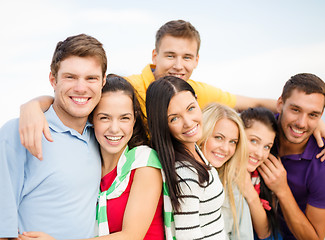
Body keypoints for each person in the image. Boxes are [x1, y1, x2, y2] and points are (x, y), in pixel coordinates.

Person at [17, 20, 325, 161]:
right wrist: (33, 105)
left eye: (187, 57)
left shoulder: (194, 91)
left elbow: (252, 102)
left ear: (197, 60)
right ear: (154, 56)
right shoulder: (127, 87)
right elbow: (82, 96)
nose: (178, 64)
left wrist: (311, 119)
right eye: (170, 55)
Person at [18, 75, 165, 240]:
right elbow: (61, 103)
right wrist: (32, 106)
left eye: (124, 118)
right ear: (91, 118)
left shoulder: (144, 161)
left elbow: (131, 236)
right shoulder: (89, 160)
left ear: (134, 120)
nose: (115, 129)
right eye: (104, 118)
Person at [0, 34, 107, 239]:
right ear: (53, 80)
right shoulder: (18, 132)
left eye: (91, 78)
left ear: (103, 81)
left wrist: (33, 104)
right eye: (70, 77)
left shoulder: (102, 135)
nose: (81, 88)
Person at [258, 73, 325, 240]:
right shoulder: (258, 131)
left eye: (313, 115)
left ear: (321, 116)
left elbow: (314, 238)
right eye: (295, 110)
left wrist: (282, 191)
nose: (301, 123)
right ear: (280, 104)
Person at [145, 76, 226, 239]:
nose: (188, 122)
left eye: (191, 108)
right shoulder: (185, 174)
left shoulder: (194, 149)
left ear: (197, 101)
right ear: (163, 125)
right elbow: (188, 236)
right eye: (174, 118)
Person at [198, 103, 254, 239]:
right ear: (202, 133)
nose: (226, 148)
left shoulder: (232, 185)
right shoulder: (178, 174)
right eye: (219, 137)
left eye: (233, 142)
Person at [240, 108, 282, 240]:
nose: (260, 153)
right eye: (254, 141)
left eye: (266, 147)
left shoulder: (260, 177)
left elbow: (265, 233)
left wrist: (249, 191)